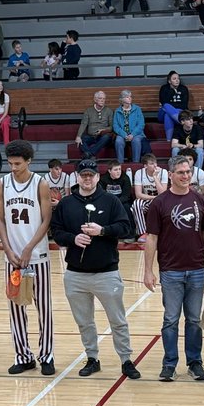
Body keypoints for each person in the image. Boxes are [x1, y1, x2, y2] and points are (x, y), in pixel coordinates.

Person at [50, 158, 138, 379]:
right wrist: (73, 238)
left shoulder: (110, 201)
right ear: (77, 178)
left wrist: (102, 230)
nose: (87, 179)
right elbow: (56, 231)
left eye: (91, 175)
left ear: (98, 177)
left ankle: (126, 360)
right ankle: (92, 358)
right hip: (75, 274)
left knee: (117, 320)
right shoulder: (66, 204)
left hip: (106, 273)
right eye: (83, 175)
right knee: (85, 321)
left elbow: (126, 227)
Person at [143, 153, 204, 381]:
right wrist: (148, 270)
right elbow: (151, 238)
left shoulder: (201, 201)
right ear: (170, 175)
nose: (185, 176)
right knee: (171, 319)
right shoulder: (159, 203)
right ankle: (169, 364)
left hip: (197, 270)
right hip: (170, 271)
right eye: (180, 172)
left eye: (188, 172)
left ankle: (195, 363)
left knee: (194, 320)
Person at [0, 140, 54, 375]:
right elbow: (0, 220)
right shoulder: (1, 185)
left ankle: (46, 355)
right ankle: (23, 355)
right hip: (13, 258)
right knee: (16, 308)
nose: (13, 167)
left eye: (17, 163)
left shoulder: (40, 184)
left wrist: (29, 248)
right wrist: (8, 250)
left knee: (43, 308)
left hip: (37, 255)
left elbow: (46, 220)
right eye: (10, 163)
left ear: (29, 161)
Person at [131, 153, 168, 238]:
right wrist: (154, 197)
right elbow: (138, 195)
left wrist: (155, 177)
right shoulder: (139, 173)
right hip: (147, 200)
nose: (155, 165)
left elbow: (163, 194)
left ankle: (162, 233)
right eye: (151, 164)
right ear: (145, 166)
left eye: (155, 163)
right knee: (136, 204)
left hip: (161, 201)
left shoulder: (163, 172)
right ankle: (143, 233)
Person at [75, 90, 114, 159]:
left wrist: (103, 130)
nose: (102, 100)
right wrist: (78, 136)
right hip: (91, 136)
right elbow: (83, 124)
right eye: (100, 98)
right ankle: (90, 155)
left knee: (107, 137)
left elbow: (112, 127)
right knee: (81, 139)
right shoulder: (88, 111)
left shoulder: (109, 111)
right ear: (95, 99)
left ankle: (89, 154)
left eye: (104, 99)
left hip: (102, 137)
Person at [113, 89, 146, 164]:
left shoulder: (137, 109)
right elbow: (115, 126)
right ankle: (120, 164)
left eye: (130, 96)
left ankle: (136, 163)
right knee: (118, 141)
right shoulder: (117, 111)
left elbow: (141, 124)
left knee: (136, 141)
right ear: (122, 99)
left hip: (136, 134)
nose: (130, 98)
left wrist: (132, 134)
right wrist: (124, 135)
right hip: (123, 134)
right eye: (127, 97)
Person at [158, 70, 191, 142]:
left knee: (168, 115)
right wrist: (172, 91)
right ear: (169, 81)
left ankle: (169, 140)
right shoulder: (164, 88)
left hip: (179, 111)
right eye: (174, 79)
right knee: (166, 106)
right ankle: (180, 120)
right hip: (164, 114)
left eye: (178, 78)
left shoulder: (183, 89)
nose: (177, 80)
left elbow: (184, 105)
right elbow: (163, 102)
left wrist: (170, 105)